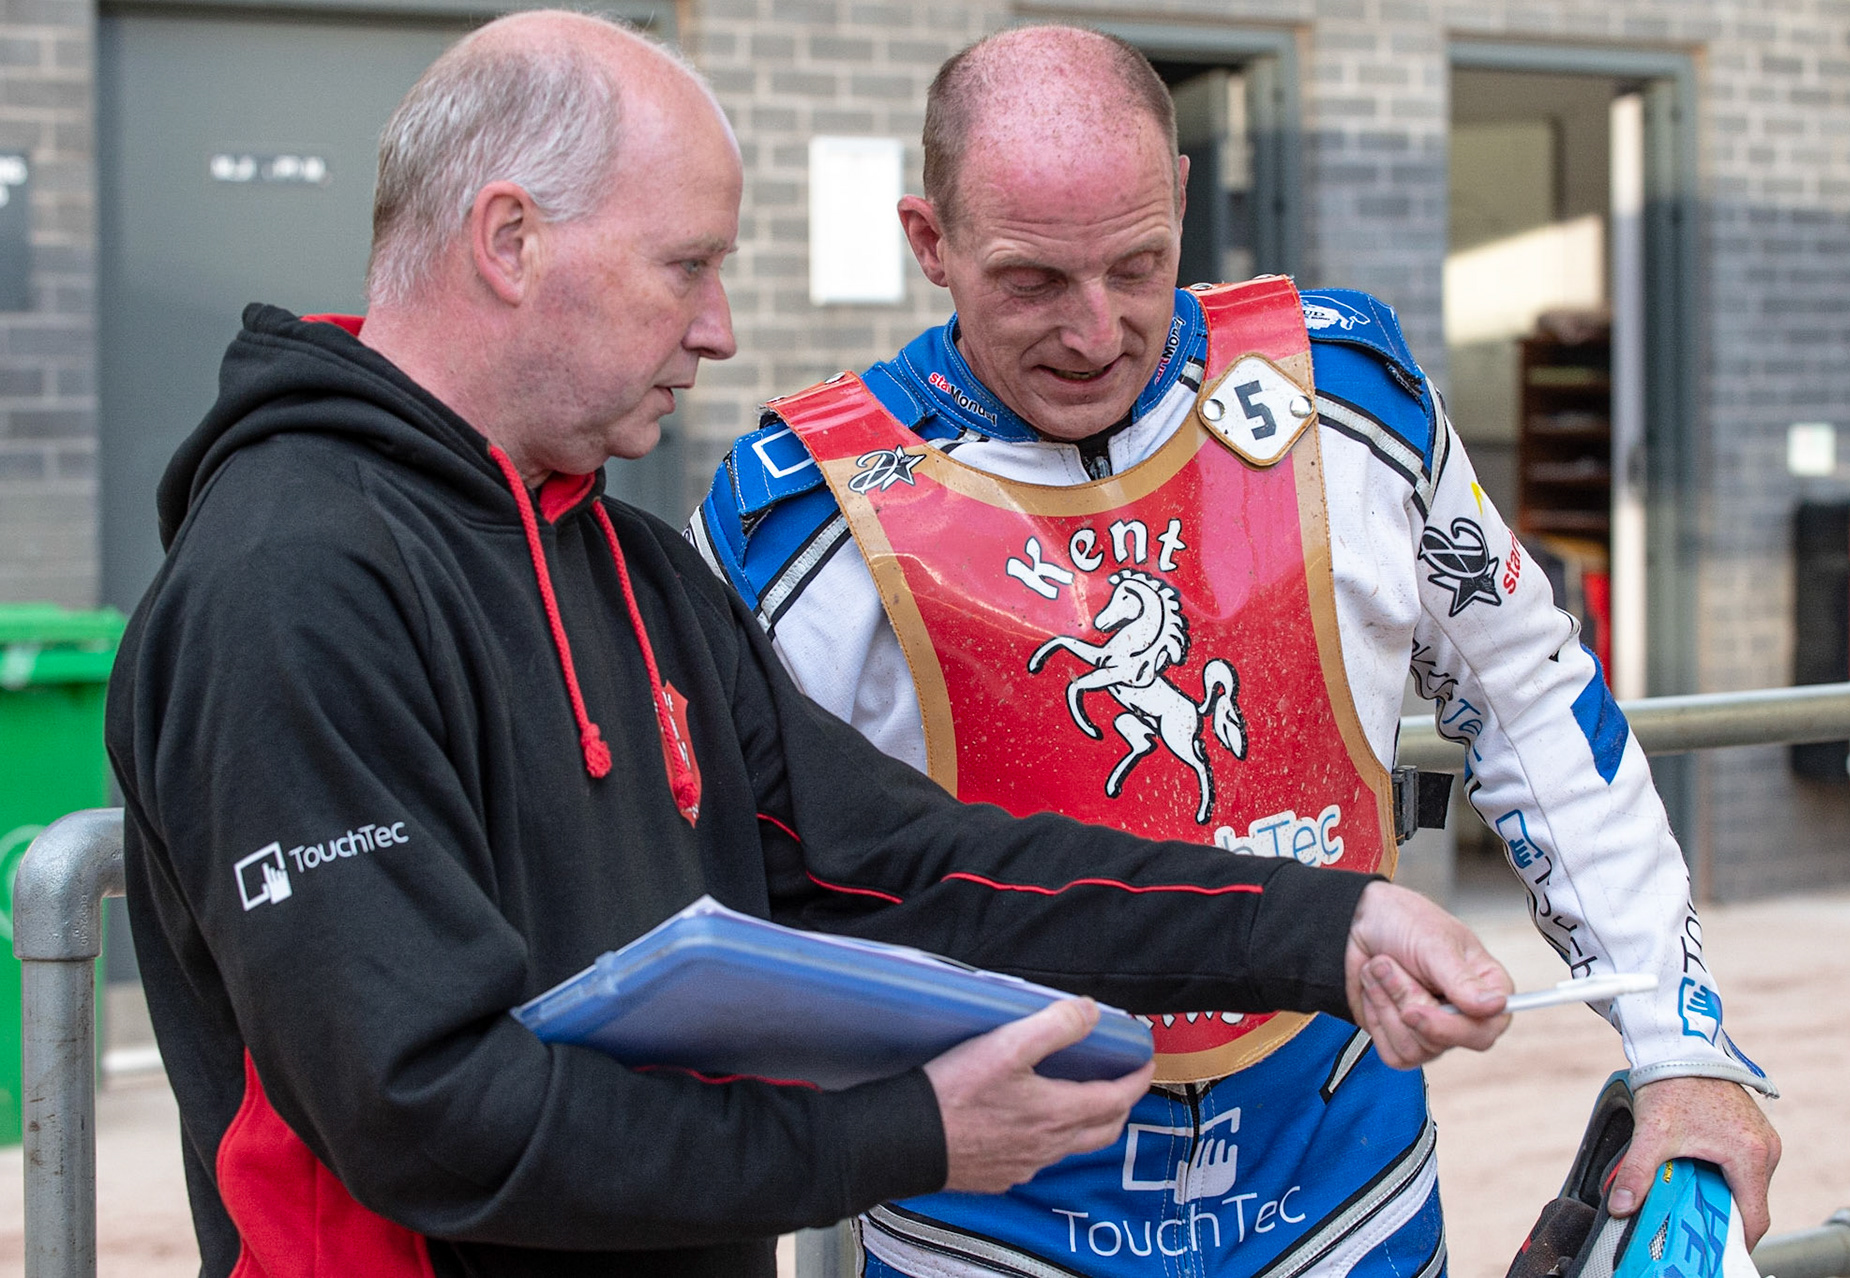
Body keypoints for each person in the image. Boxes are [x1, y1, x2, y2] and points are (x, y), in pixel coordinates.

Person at [105, 13, 1515, 1278]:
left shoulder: (631, 566)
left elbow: (914, 868)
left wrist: (1324, 923)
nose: (719, 330)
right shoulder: (290, 586)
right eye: (688, 268)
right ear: (511, 240)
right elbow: (428, 1109)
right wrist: (904, 1133)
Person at [690, 24, 1783, 1276]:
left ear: (1185, 198)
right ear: (929, 242)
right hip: (983, 1232)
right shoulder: (796, 512)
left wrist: (1681, 1046)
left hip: (1346, 1196)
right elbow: (715, 891)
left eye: (1141, 265)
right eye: (1034, 281)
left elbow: (1533, 695)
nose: (1097, 331)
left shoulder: (1351, 395)